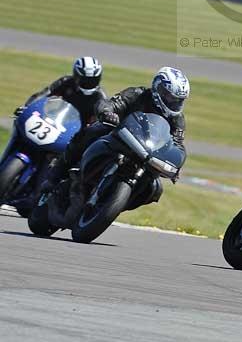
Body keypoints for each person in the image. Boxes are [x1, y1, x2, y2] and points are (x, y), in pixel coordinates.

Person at [47, 66, 190, 225]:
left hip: (146, 152)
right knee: (92, 130)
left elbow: (177, 144)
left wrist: (176, 163)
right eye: (169, 97)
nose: (173, 102)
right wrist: (108, 113)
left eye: (178, 99)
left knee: (155, 189)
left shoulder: (177, 119)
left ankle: (109, 205)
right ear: (158, 88)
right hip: (119, 135)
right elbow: (110, 103)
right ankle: (57, 171)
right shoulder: (137, 94)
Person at [18, 56, 107, 126]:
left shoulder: (100, 97)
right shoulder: (65, 81)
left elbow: (103, 119)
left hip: (80, 133)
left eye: (92, 80)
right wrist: (26, 108)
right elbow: (43, 94)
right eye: (85, 80)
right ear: (76, 76)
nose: (88, 83)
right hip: (55, 121)